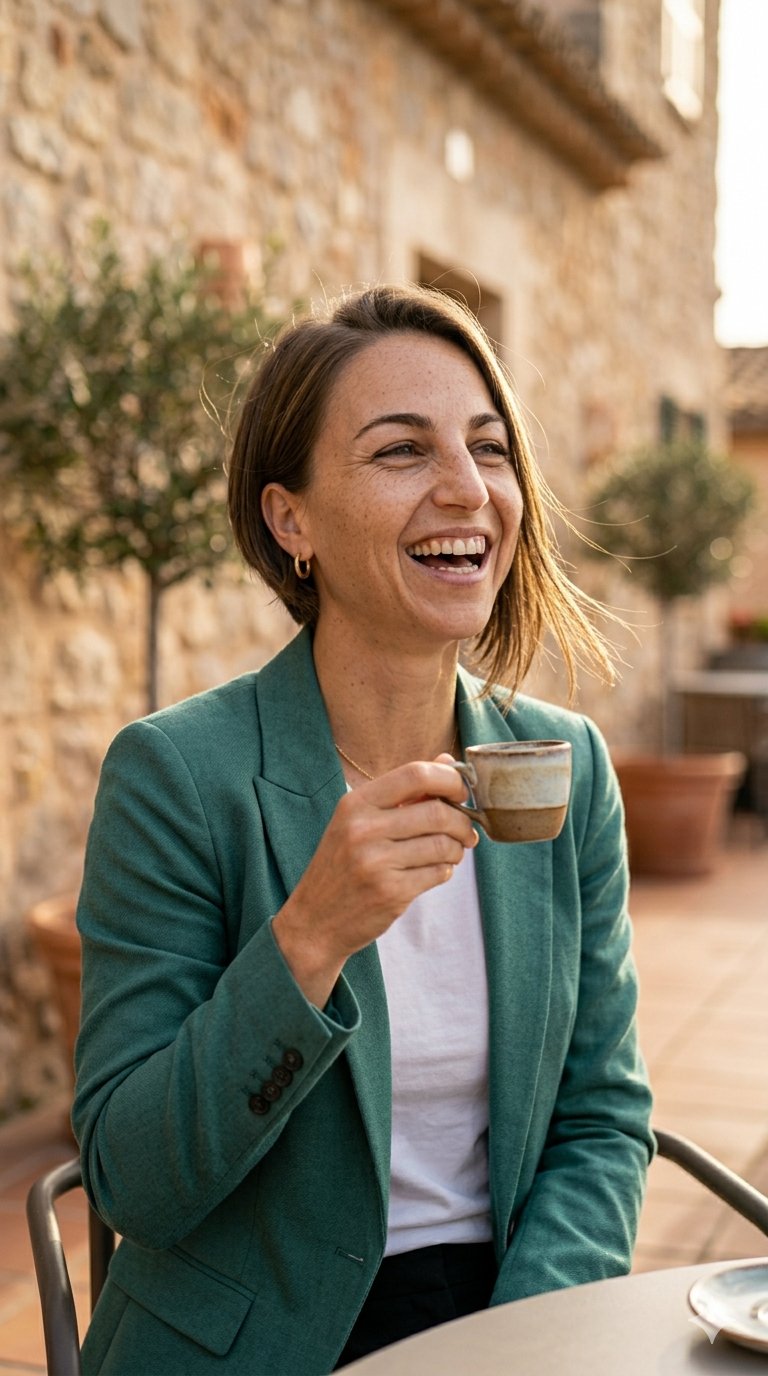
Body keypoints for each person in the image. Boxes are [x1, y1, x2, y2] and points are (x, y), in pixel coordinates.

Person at [73, 284, 654, 1376]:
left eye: (488, 447)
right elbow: (132, 1181)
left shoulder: (563, 766)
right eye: (402, 451)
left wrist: (520, 1340)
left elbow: (602, 1118)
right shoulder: (179, 777)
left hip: (504, 1316)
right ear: (291, 518)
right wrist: (307, 939)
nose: (466, 489)